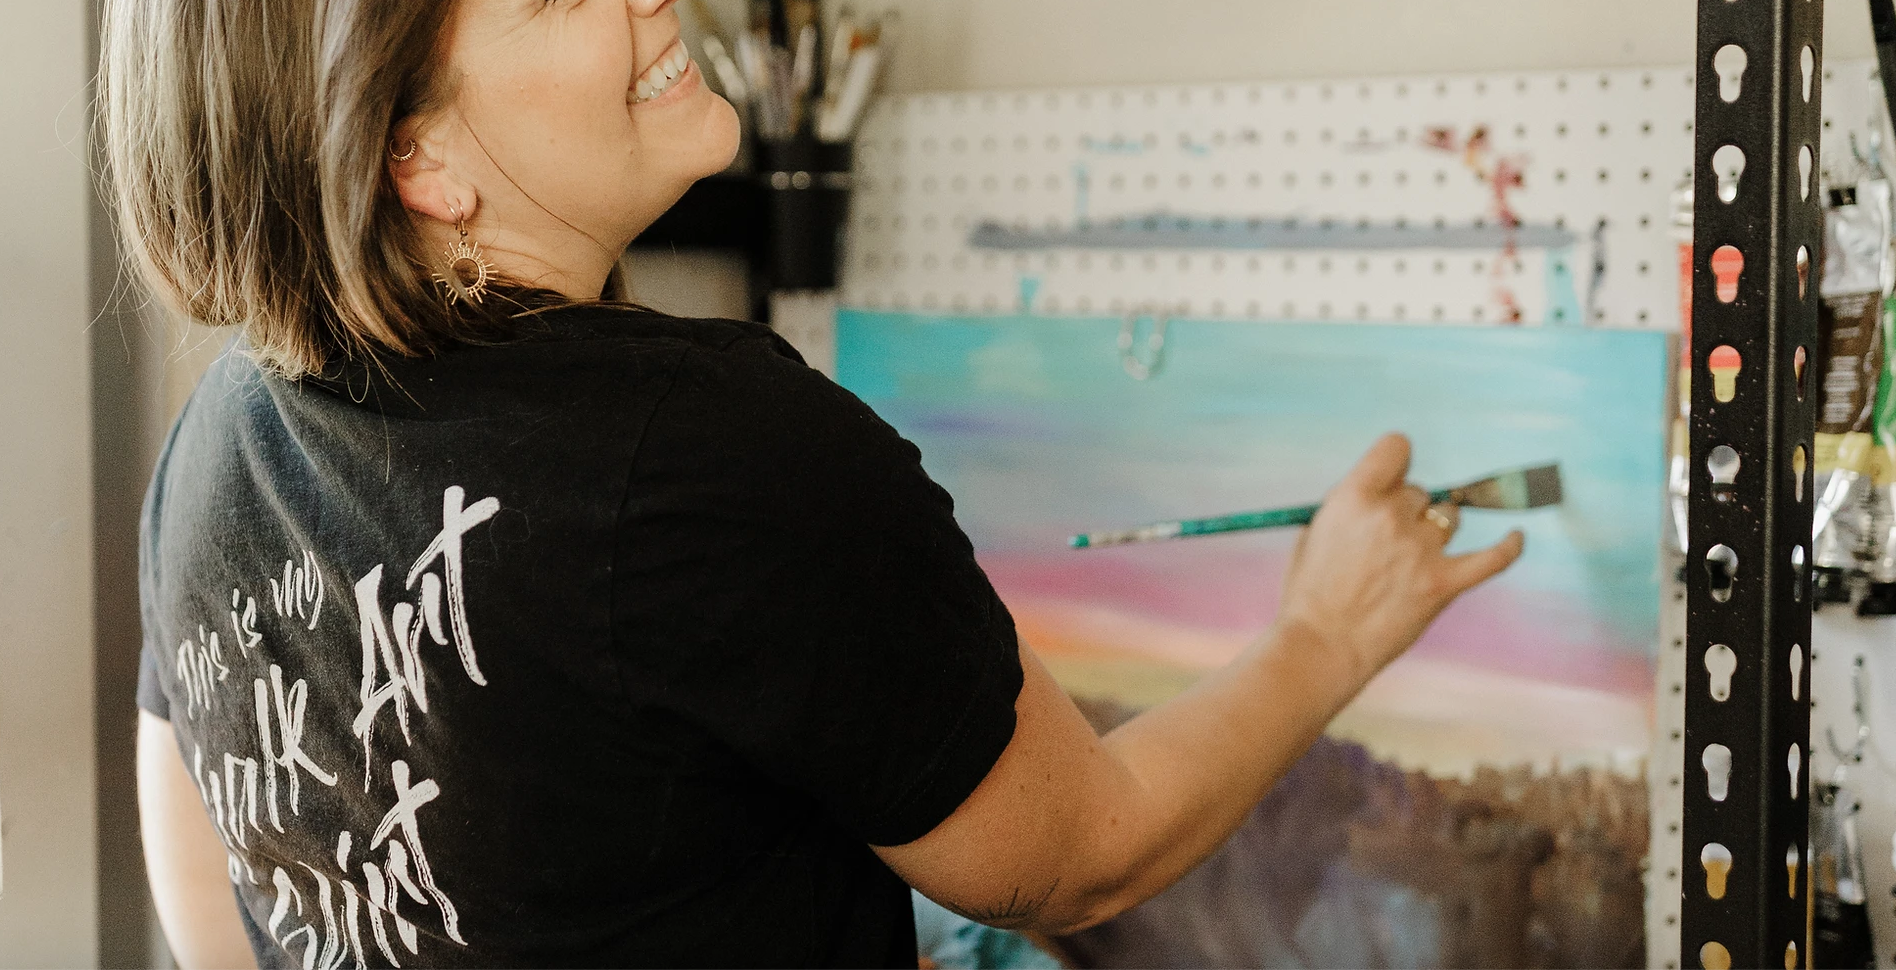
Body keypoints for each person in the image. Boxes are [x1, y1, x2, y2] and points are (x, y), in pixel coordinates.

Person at [104, 0, 1525, 967]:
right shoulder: (708, 448)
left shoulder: (225, 428)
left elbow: (214, 898)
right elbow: (1079, 851)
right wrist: (1331, 630)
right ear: (413, 155)